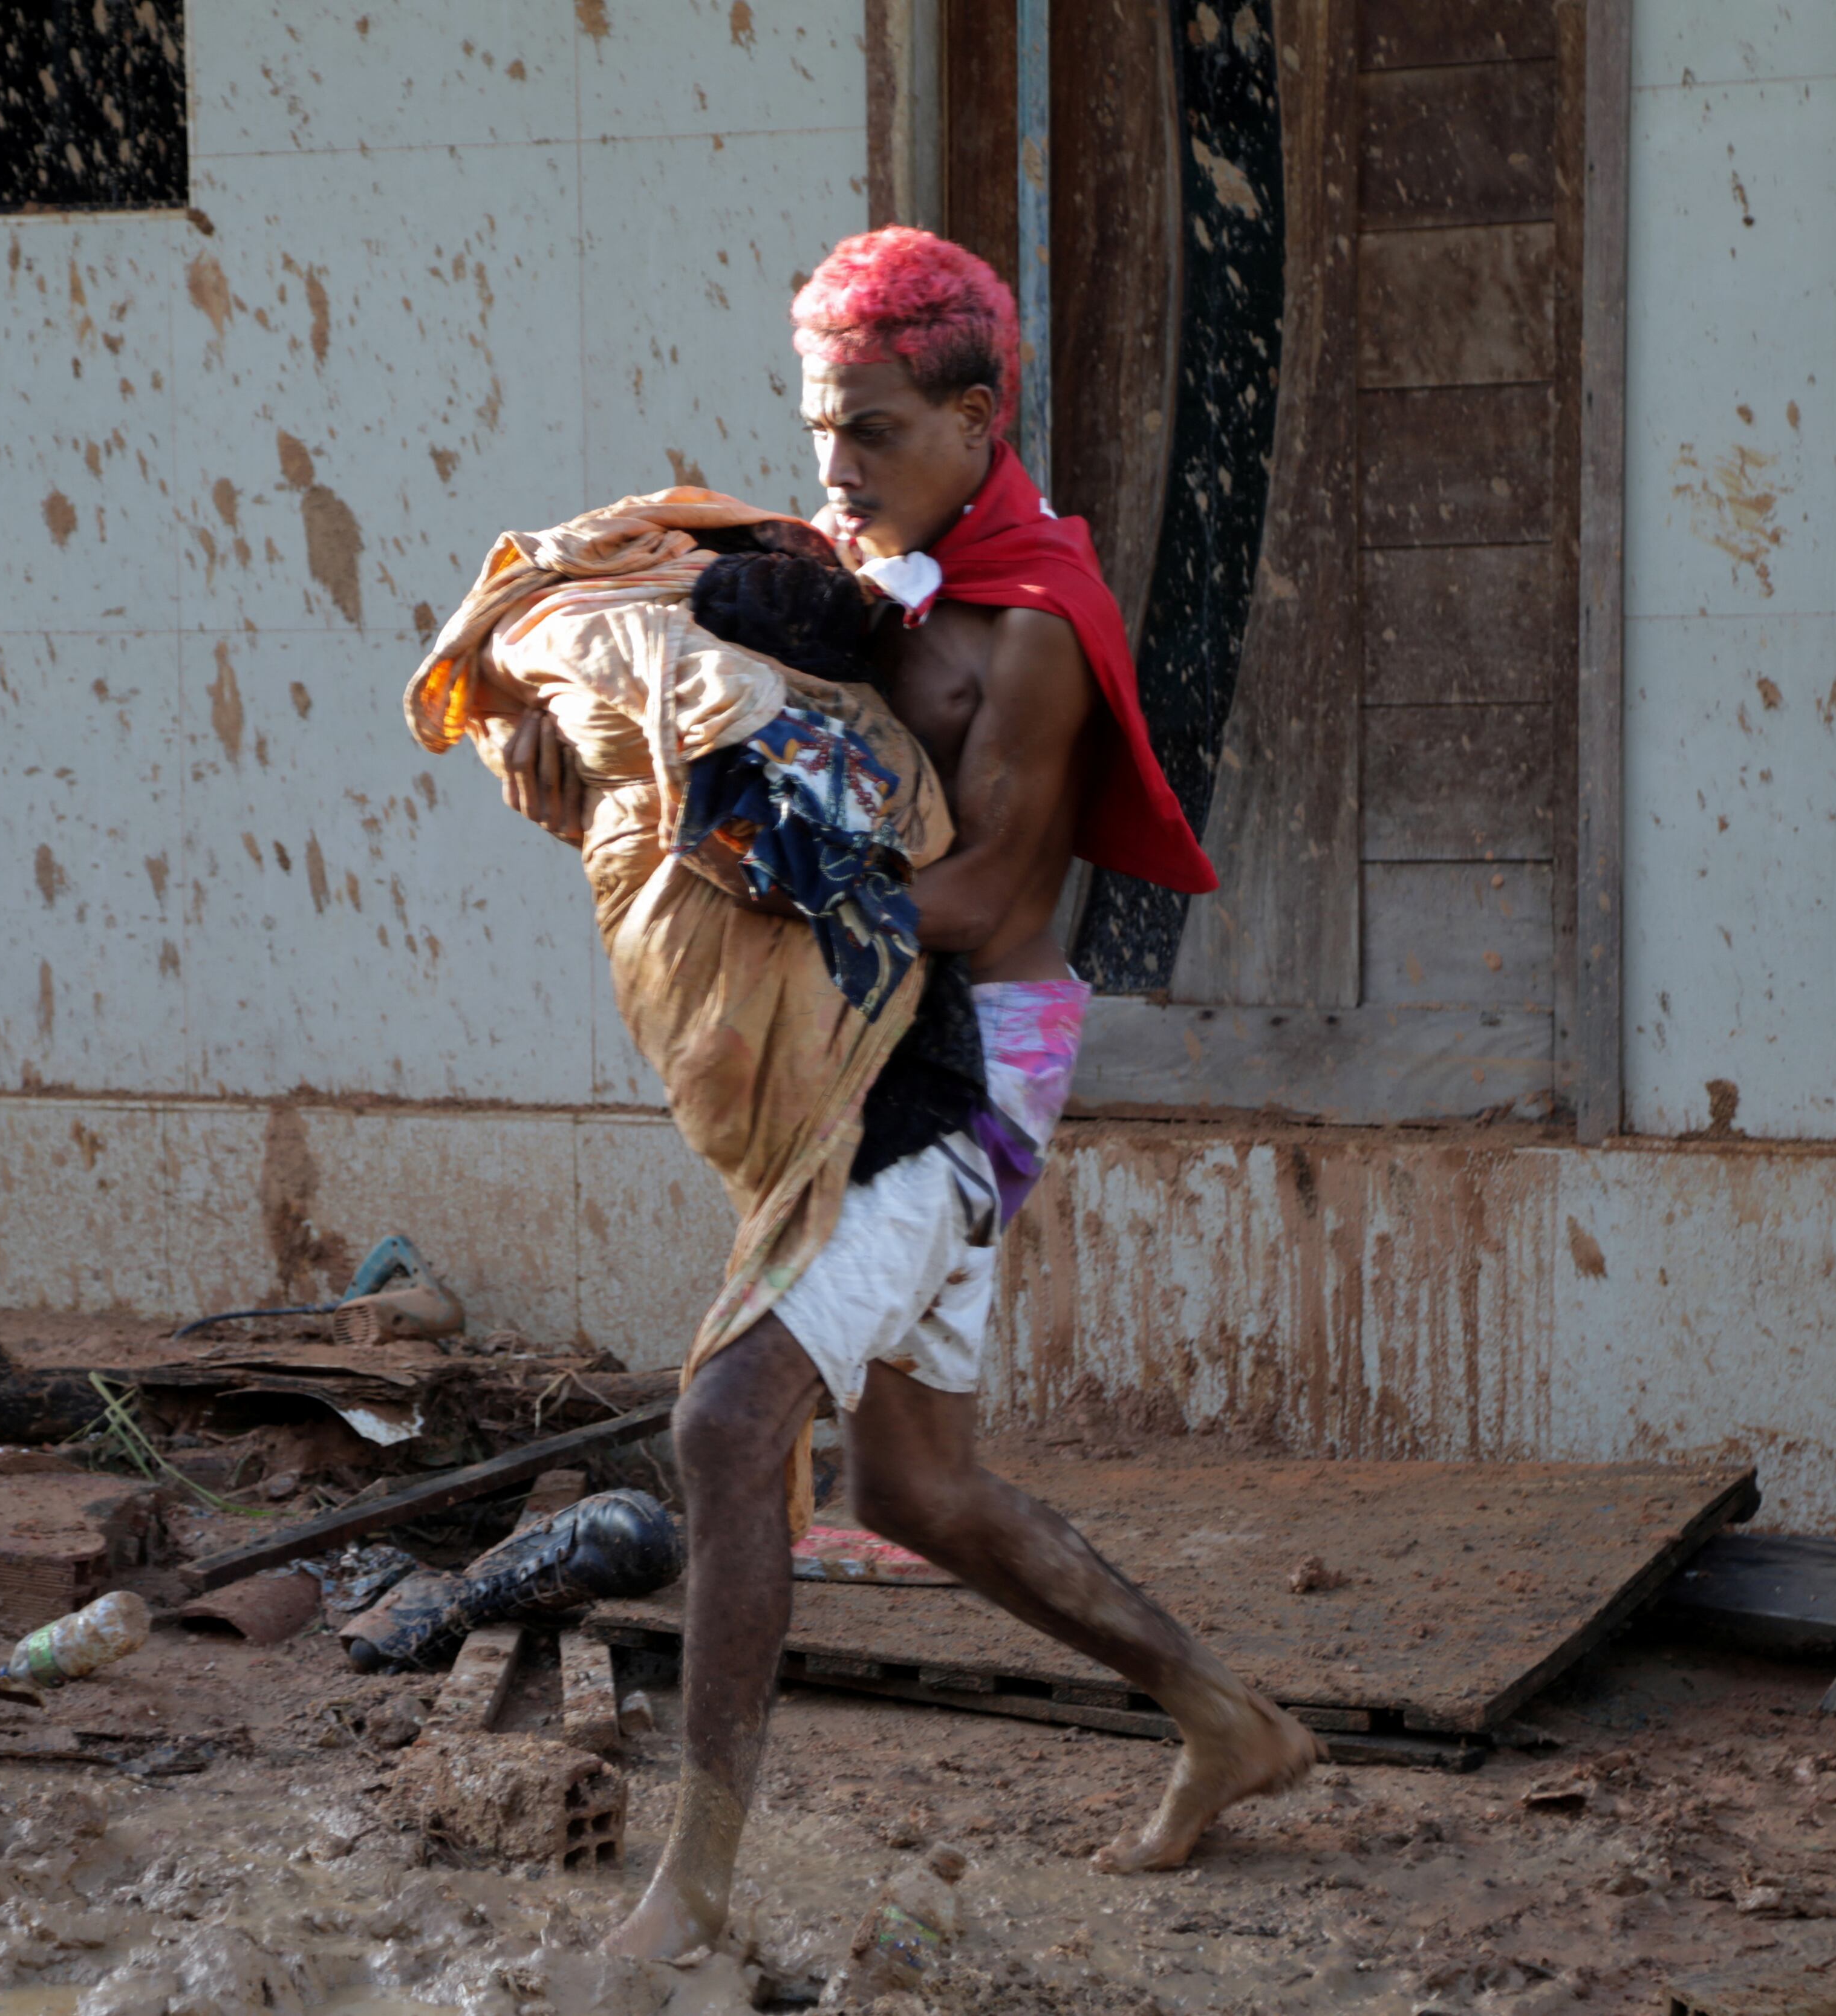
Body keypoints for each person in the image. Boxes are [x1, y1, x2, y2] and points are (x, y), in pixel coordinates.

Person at [489, 227, 1318, 1963]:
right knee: (917, 1492)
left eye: (872, 432)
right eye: (817, 432)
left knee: (728, 1424)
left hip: (953, 1079)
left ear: (976, 416)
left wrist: (733, 878)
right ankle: (1227, 1721)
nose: (836, 471)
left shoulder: (1031, 628)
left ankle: (691, 1894)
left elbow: (986, 895)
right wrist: (609, 787)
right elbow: (765, 777)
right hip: (878, 1045)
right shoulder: (877, 574)